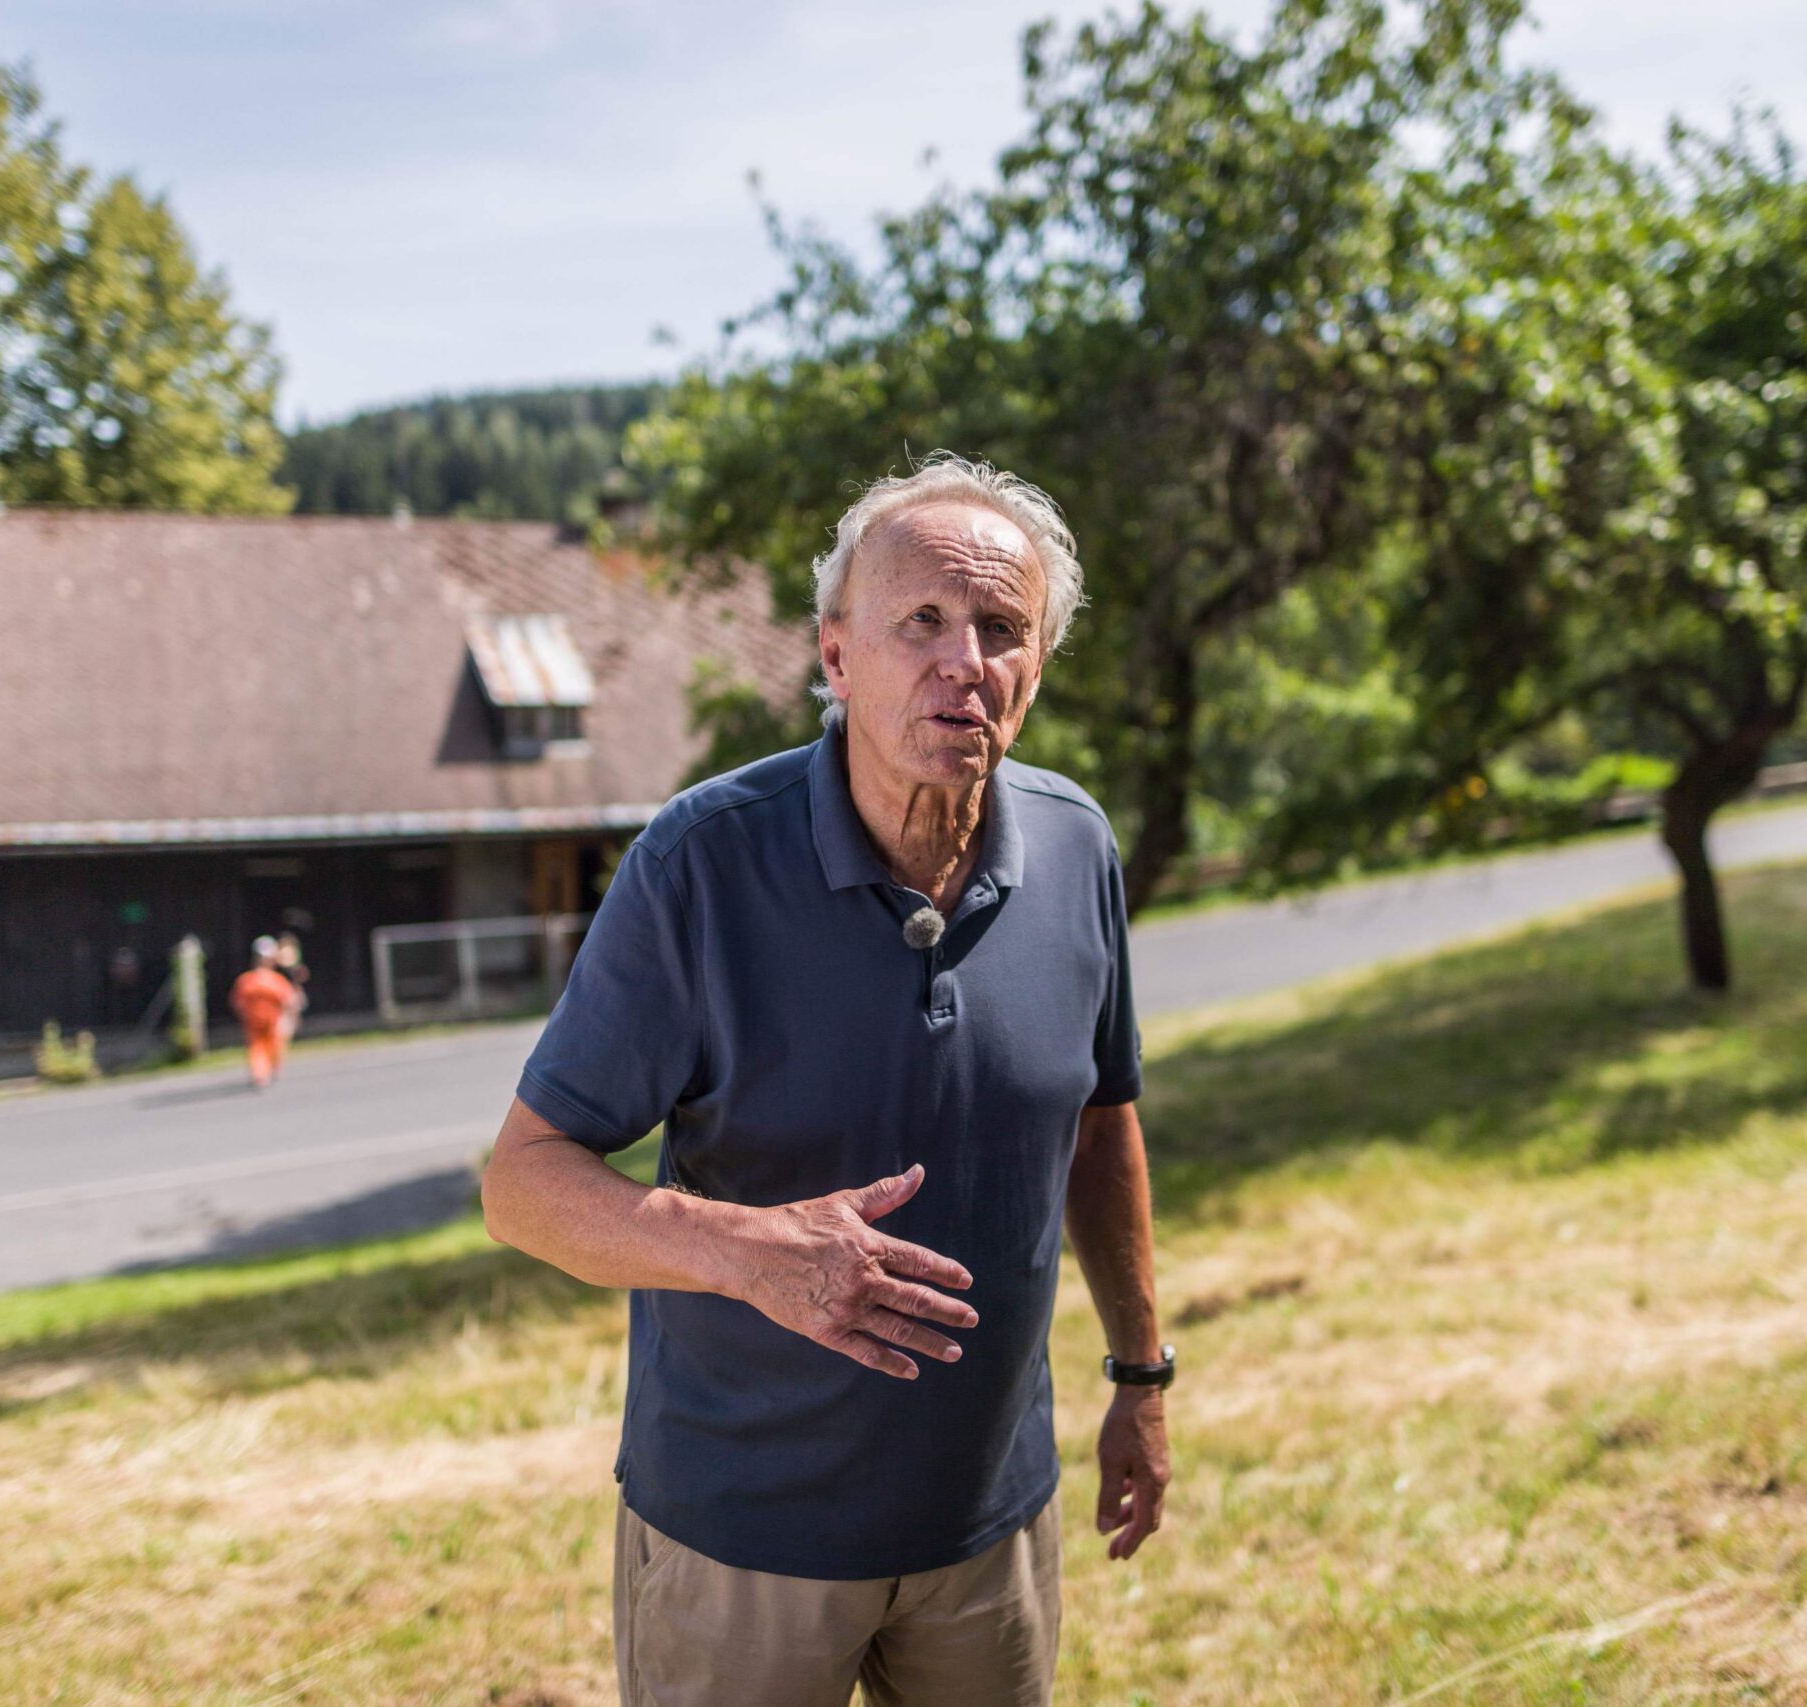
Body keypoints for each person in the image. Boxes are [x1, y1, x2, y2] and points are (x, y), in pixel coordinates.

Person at [481, 453, 1170, 1707]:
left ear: (1037, 665)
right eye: (922, 621)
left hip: (989, 1530)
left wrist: (1139, 1375)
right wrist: (746, 1251)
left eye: (1002, 628)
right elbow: (522, 1185)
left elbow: (1097, 1123)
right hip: (740, 1543)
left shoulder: (1077, 846)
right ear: (837, 656)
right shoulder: (698, 867)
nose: (964, 660)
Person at [229, 936, 297, 1089]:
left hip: (268, 1020)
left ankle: (266, 1071)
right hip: (260, 1021)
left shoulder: (251, 980)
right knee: (259, 1047)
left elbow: (238, 1003)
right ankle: (262, 1074)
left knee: (267, 1046)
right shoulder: (254, 980)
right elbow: (289, 1001)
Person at [273, 931, 310, 1047]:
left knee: (291, 1016)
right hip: (285, 990)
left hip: (291, 990)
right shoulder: (284, 956)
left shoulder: (288, 956)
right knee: (286, 1017)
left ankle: (285, 1039)